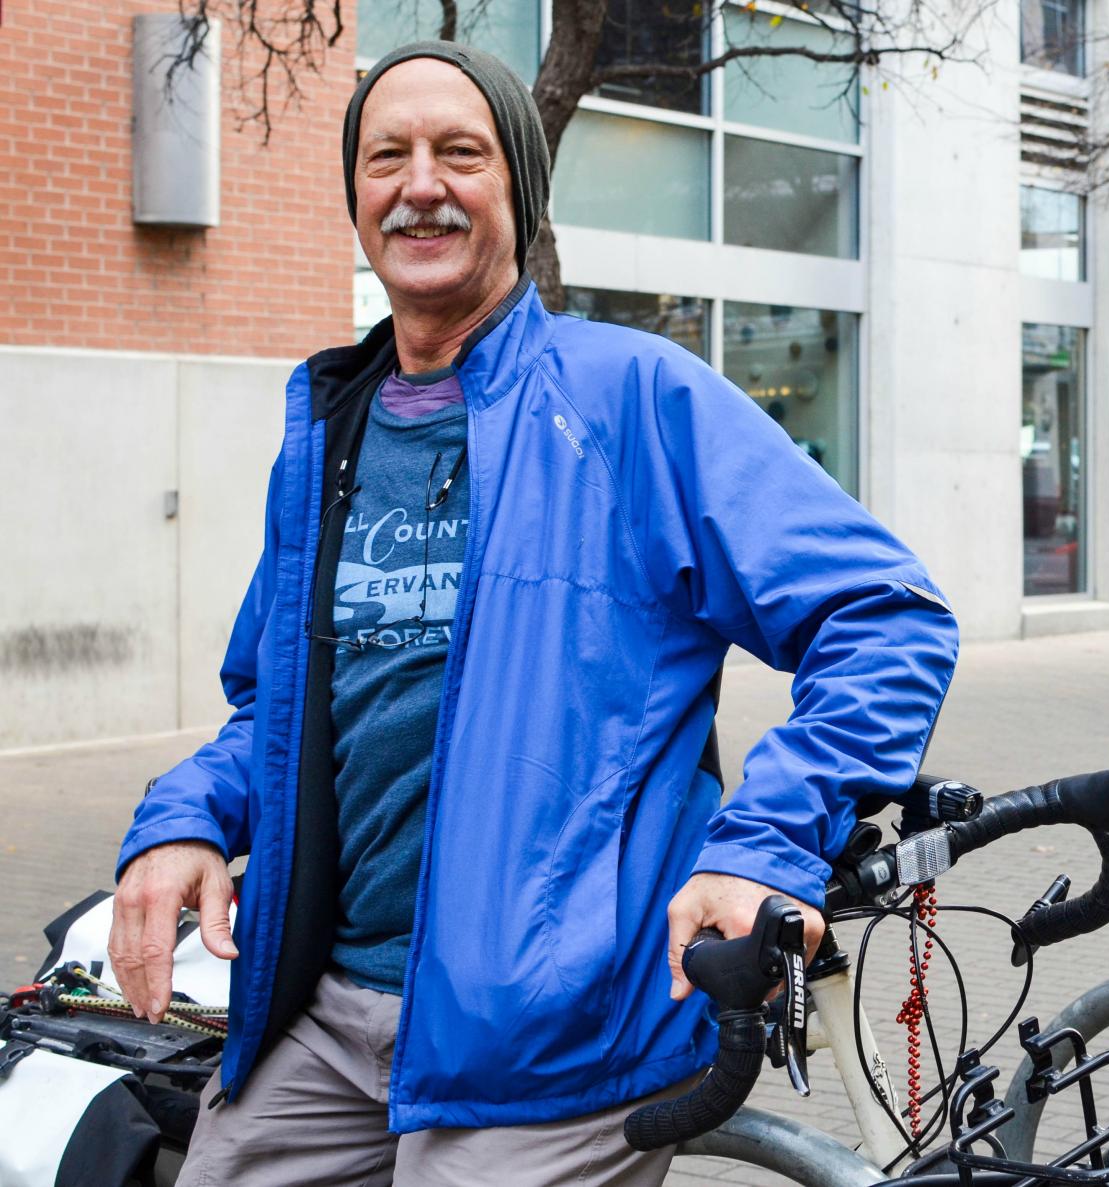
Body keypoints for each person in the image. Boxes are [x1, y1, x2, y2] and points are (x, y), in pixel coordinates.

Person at [107, 41, 958, 1186]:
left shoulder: (632, 398)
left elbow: (884, 616)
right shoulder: (333, 431)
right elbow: (277, 712)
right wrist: (185, 816)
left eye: (461, 153)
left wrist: (766, 842)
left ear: (518, 188)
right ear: (356, 198)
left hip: (549, 1047)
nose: (420, 184)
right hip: (318, 1009)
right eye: (385, 157)